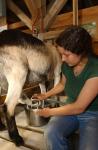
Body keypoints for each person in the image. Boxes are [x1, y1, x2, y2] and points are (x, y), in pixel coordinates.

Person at [32, 25, 98, 150]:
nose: (62, 59)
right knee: (51, 134)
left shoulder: (95, 69)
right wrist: (45, 95)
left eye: (66, 54)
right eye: (61, 54)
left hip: (93, 114)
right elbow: (62, 84)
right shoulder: (67, 65)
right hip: (70, 108)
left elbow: (79, 107)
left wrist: (49, 112)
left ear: (82, 52)